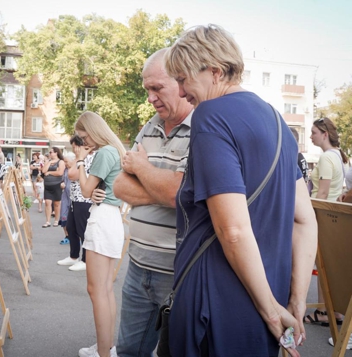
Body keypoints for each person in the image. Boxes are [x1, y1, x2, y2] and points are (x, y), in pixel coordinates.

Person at [163, 24, 317, 356]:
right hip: (268, 295)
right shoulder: (278, 122)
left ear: (215, 72)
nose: (180, 90)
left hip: (216, 296)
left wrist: (272, 311)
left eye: (182, 78)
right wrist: (294, 300)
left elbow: (232, 229)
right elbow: (304, 221)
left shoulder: (210, 116)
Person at [111, 48, 193, 357]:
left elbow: (178, 193)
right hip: (137, 266)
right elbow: (120, 185)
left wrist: (143, 171)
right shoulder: (150, 126)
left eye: (157, 88)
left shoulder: (202, 127)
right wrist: (164, 187)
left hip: (176, 275)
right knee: (129, 351)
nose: (150, 98)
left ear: (182, 82)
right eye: (147, 89)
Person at [74, 111, 126, 357]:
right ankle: (106, 347)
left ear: (94, 131)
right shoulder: (113, 150)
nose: (84, 143)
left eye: (84, 137)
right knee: (105, 289)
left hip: (103, 218)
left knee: (97, 290)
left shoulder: (104, 152)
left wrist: (81, 160)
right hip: (111, 217)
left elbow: (85, 190)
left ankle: (103, 352)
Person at [304, 117, 349, 327]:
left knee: (322, 266)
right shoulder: (337, 156)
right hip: (333, 218)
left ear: (324, 134)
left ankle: (324, 311)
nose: (311, 135)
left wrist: (307, 217)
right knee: (327, 266)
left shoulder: (325, 159)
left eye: (313, 132)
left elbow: (321, 193)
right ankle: (333, 310)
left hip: (322, 215)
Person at [57, 135, 96, 272]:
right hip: (75, 199)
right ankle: (73, 256)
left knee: (83, 231)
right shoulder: (79, 159)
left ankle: (85, 260)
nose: (74, 150)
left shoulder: (89, 158)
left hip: (84, 200)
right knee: (71, 228)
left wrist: (77, 160)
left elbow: (72, 175)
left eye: (75, 147)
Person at [41, 147, 65, 228]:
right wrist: (48, 163)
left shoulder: (60, 162)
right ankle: (47, 221)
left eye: (51, 152)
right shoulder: (48, 161)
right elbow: (44, 171)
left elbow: (60, 173)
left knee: (57, 203)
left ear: (56, 153)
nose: (50, 154)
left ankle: (56, 220)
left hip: (57, 184)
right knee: (47, 203)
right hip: (47, 185)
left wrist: (50, 172)